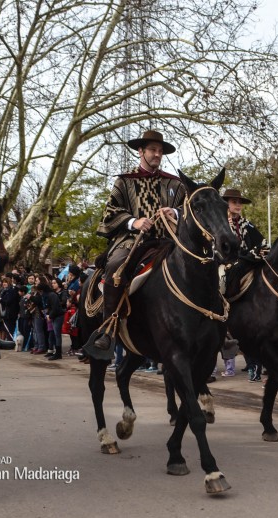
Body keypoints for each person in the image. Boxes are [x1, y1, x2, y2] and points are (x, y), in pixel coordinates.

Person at [88, 130, 186, 356]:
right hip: (133, 241)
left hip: (168, 241)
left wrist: (175, 211)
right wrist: (134, 222)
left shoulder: (176, 184)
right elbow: (110, 212)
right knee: (116, 266)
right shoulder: (124, 181)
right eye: (153, 150)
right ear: (140, 151)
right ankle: (108, 328)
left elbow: (190, 208)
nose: (157, 155)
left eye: (160, 151)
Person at [222, 186, 268, 380]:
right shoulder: (220, 224)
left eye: (240, 202)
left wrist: (248, 256)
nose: (238, 205)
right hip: (224, 266)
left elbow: (264, 245)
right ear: (226, 204)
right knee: (219, 282)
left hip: (246, 265)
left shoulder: (247, 225)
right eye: (234, 202)